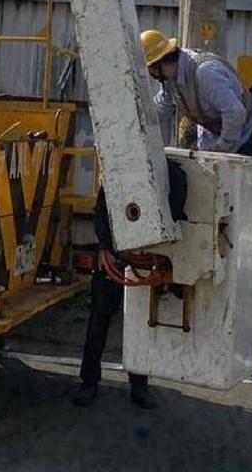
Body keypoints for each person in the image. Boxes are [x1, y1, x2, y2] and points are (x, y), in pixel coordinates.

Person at [73, 162, 188, 410]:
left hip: (145, 259)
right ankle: (89, 382)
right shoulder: (117, 171)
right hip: (115, 257)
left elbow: (176, 206)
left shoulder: (167, 171)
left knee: (139, 325)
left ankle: (139, 385)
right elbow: (101, 209)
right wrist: (104, 245)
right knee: (98, 322)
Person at [140, 29, 252, 156]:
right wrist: (139, 115)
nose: (151, 74)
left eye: (151, 69)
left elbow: (235, 113)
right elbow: (162, 105)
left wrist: (222, 147)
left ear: (159, 63)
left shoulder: (206, 73)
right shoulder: (170, 78)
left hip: (243, 128)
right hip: (212, 128)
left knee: (236, 172)